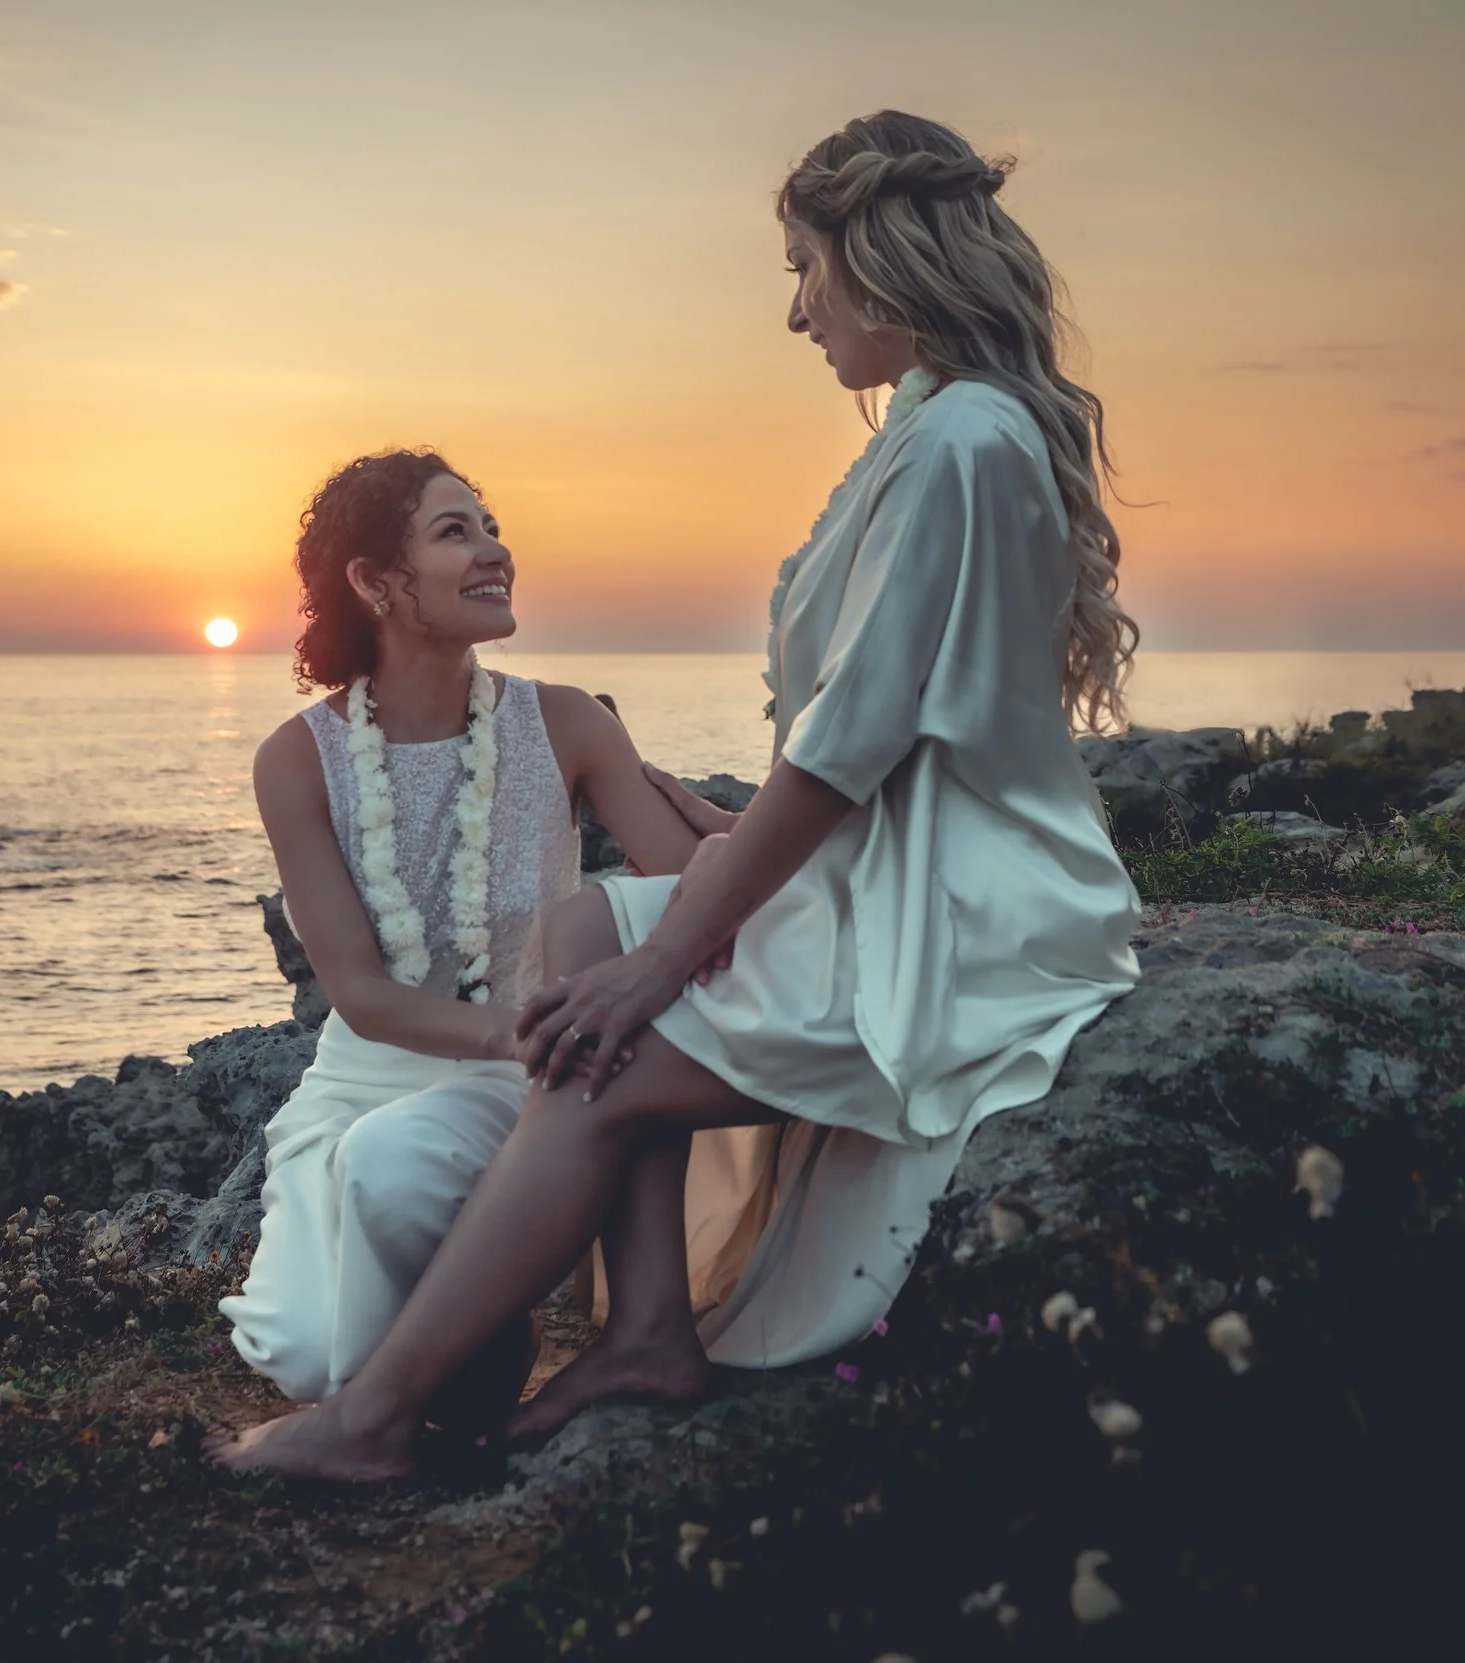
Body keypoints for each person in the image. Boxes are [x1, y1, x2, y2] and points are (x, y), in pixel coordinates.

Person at [211, 111, 1143, 1480]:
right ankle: (643, 1323)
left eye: (803, 267)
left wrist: (667, 961)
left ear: (879, 256)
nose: (797, 310)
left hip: (955, 910)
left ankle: (371, 1422)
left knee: (601, 1045)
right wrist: (721, 855)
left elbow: (852, 743)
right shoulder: (935, 428)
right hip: (893, 857)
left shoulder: (960, 444)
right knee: (584, 926)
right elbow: (871, 730)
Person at [216, 449, 699, 1424]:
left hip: (521, 1078)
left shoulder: (566, 722)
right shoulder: (297, 760)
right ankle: (478, 1335)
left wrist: (745, 829)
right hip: (366, 1073)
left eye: (491, 527)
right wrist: (515, 1029)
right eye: (454, 532)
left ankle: (472, 1315)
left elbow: (689, 889)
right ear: (375, 582)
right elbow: (360, 993)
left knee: (393, 1167)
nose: (494, 551)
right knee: (304, 1355)